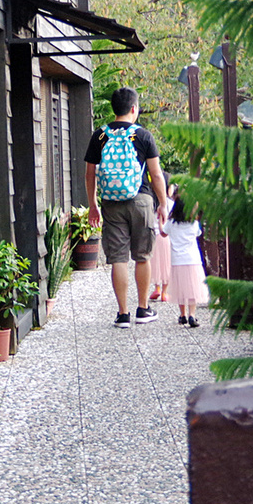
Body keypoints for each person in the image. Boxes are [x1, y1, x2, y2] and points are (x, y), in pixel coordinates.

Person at [84, 87, 168, 328]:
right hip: (141, 199)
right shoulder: (143, 135)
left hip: (111, 202)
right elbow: (156, 174)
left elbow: (90, 174)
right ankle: (143, 309)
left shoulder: (99, 135)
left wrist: (93, 205)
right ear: (134, 109)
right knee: (142, 256)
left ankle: (123, 314)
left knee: (118, 258)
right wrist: (162, 204)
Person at [163, 188, 206, 327]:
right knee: (193, 288)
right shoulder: (194, 224)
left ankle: (182, 315)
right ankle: (192, 315)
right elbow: (198, 234)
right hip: (193, 259)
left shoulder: (172, 224)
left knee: (180, 288)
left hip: (177, 260)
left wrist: (161, 220)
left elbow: (163, 232)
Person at [148, 186, 173, 304]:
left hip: (153, 236)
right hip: (166, 237)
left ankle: (156, 288)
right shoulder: (170, 203)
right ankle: (165, 291)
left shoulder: (151, 202)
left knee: (155, 263)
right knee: (166, 264)